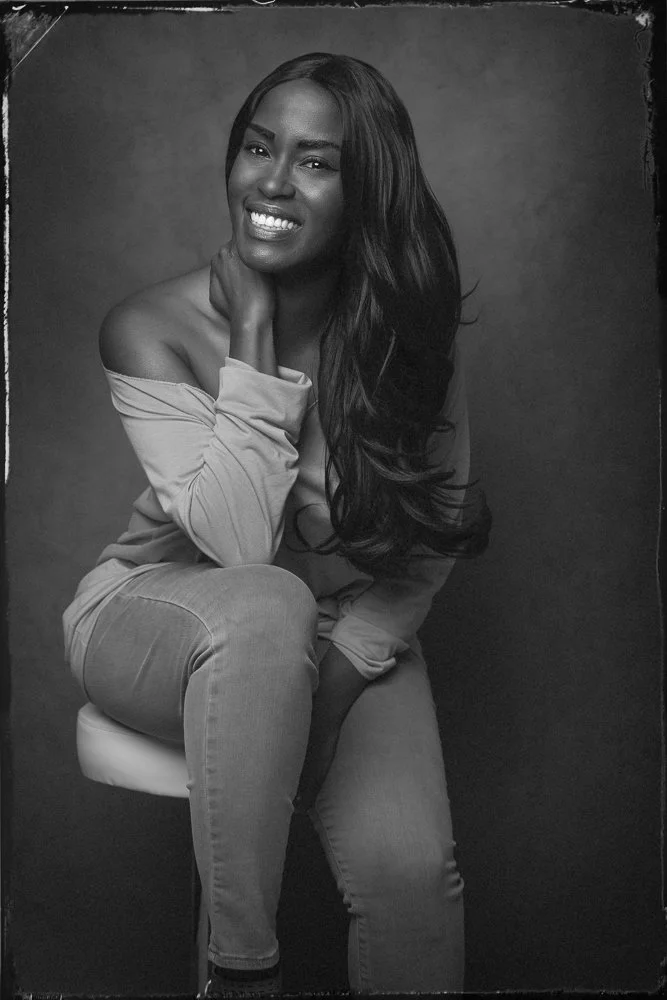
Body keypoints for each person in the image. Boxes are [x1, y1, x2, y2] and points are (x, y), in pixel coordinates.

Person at [62, 52, 491, 997]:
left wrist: (329, 696)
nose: (271, 180)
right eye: (259, 148)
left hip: (341, 628)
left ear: (364, 189)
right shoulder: (150, 326)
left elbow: (433, 532)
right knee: (261, 600)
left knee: (410, 877)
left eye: (314, 161)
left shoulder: (407, 330)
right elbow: (241, 547)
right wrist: (253, 336)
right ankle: (241, 969)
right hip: (157, 617)